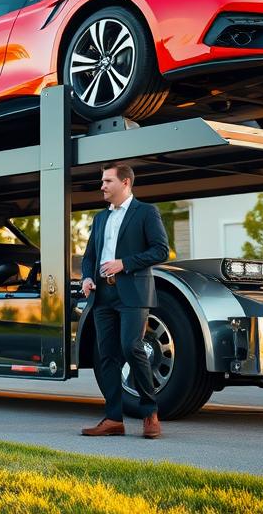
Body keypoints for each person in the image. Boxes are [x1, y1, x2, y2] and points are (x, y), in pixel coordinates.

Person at [79, 160, 170, 439]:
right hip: (102, 294)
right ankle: (113, 419)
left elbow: (161, 250)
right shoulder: (100, 218)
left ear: (125, 183)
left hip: (132, 292)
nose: (102, 186)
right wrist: (86, 277)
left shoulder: (146, 212)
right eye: (103, 181)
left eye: (108, 181)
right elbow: (90, 256)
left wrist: (124, 263)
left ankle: (150, 413)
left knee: (132, 348)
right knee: (107, 356)